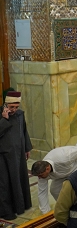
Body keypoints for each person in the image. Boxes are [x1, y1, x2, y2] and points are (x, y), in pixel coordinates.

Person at [0, 91, 32, 220]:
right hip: (3, 156)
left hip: (18, 153)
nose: (14, 109)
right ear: (5, 104)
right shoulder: (1, 115)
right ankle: (7, 211)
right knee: (5, 183)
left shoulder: (20, 114)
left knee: (19, 179)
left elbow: (24, 131)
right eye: (11, 107)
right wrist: (4, 119)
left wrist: (26, 148)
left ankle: (20, 206)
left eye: (16, 107)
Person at [31, 142, 77, 214]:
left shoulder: (65, 157)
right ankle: (67, 207)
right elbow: (42, 193)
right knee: (54, 190)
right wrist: (45, 214)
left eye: (40, 175)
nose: (39, 178)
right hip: (63, 174)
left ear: (47, 169)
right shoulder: (42, 173)